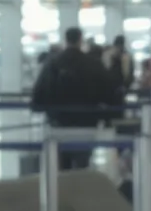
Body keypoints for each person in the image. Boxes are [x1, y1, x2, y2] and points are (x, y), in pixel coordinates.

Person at [31, 27, 114, 170]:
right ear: (80, 40)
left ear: (66, 39)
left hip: (58, 123)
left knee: (61, 165)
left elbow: (38, 96)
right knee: (82, 164)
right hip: (86, 123)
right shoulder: (93, 63)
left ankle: (62, 190)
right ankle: (80, 188)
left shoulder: (52, 63)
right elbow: (109, 93)